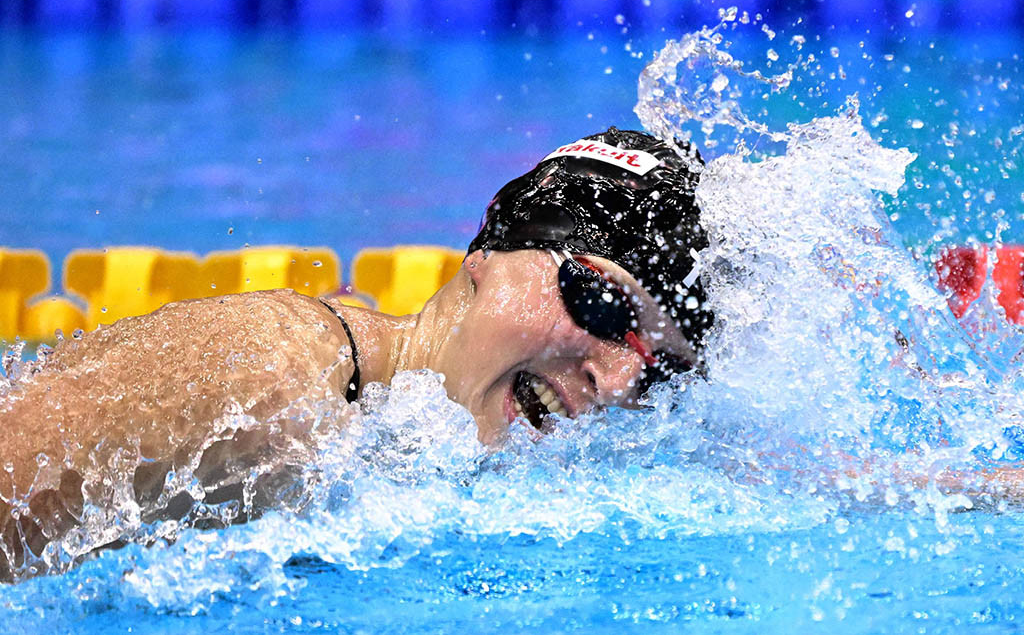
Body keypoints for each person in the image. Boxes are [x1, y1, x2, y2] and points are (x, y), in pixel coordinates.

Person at [0, 127, 712, 581]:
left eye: (660, 369)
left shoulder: (407, 454)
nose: (618, 380)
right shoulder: (275, 375)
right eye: (604, 305)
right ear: (491, 253)